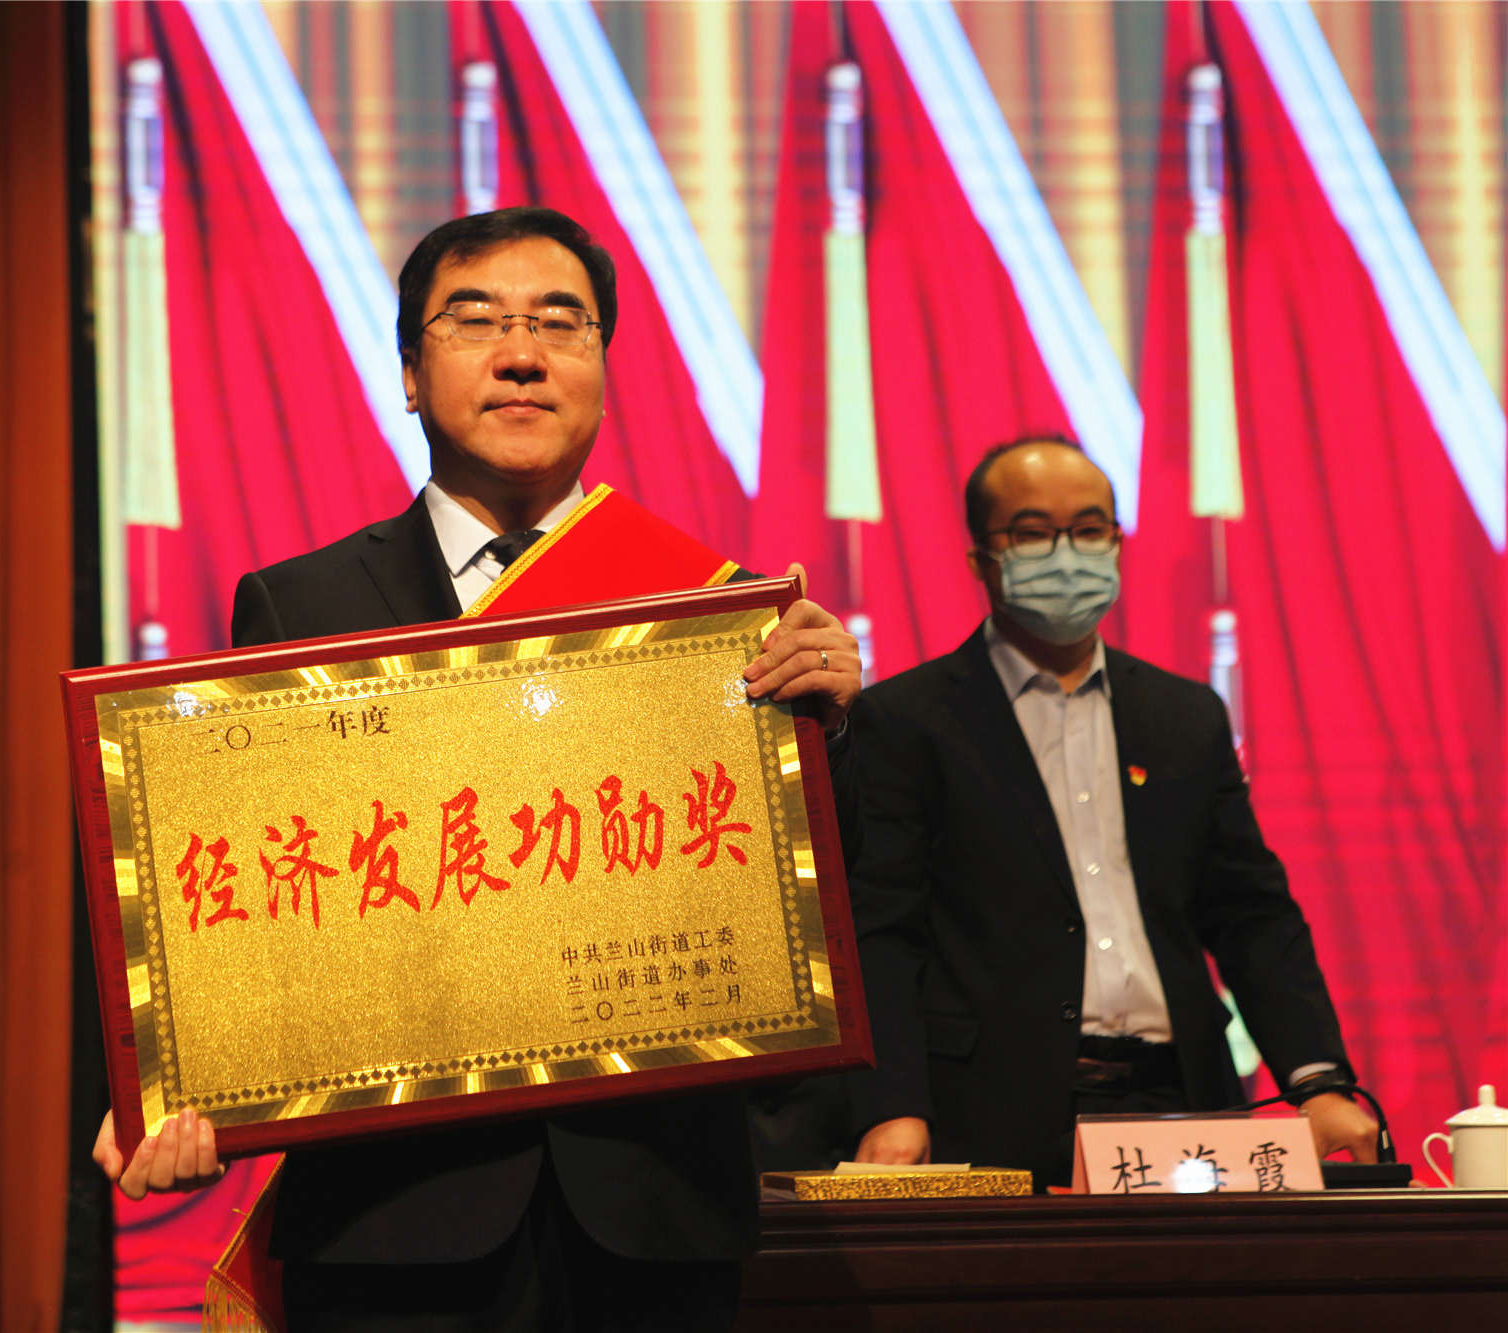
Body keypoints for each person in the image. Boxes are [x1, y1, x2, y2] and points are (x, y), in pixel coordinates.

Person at [93, 206, 862, 1331]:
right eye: (476, 320)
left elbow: (804, 908)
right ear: (410, 374)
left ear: (601, 367)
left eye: (560, 321)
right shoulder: (301, 605)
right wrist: (174, 1075)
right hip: (394, 1216)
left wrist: (826, 731)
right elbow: (251, 895)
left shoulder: (717, 612)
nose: (521, 353)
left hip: (654, 1212)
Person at [833, 436, 1378, 1188]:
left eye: (1089, 530)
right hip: (992, 1110)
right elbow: (881, 934)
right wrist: (893, 1104)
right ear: (981, 559)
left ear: (1117, 544)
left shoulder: (1184, 716)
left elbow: (1253, 915)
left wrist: (1318, 1080)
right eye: (1032, 533)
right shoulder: (907, 720)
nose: (1067, 554)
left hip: (1183, 1101)